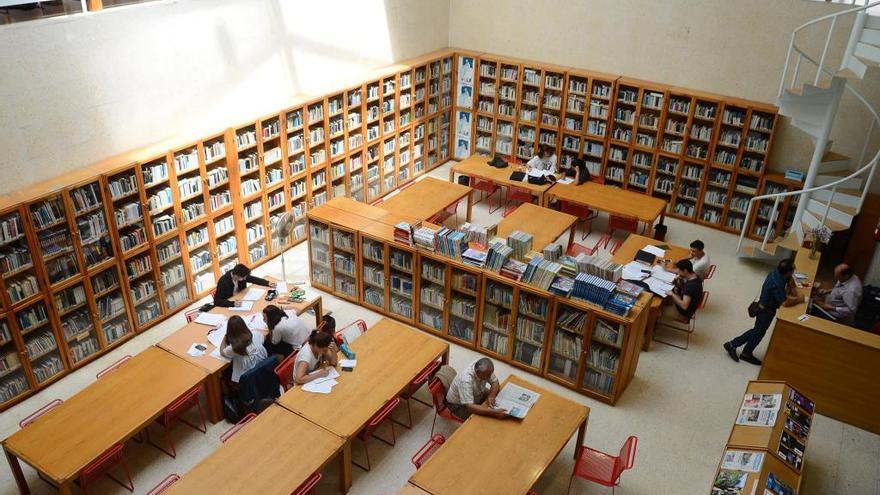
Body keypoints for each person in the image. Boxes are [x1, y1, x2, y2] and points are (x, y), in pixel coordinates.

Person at [724, 259, 804, 365]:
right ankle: (733, 345)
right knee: (758, 331)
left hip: (765, 307)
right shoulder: (777, 283)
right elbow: (784, 303)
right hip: (766, 310)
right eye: (792, 270)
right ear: (788, 272)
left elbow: (791, 283)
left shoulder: (777, 273)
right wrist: (799, 299)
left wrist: (792, 288)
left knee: (758, 332)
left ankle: (745, 352)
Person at [220, 315, 268, 384]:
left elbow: (222, 352)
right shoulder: (255, 334)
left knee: (225, 371)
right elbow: (264, 338)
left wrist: (225, 337)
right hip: (261, 368)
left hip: (247, 378)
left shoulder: (234, 348)